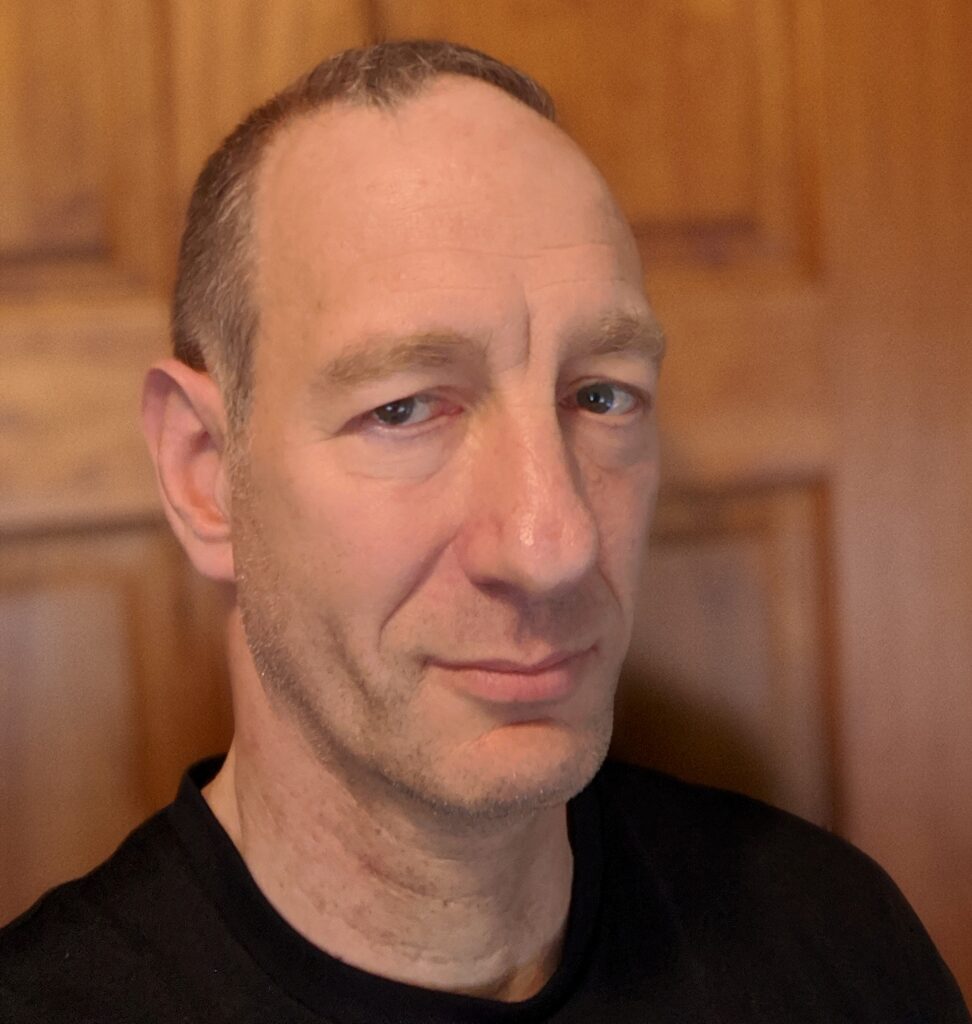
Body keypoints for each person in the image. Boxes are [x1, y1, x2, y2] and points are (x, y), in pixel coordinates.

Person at [1, 39, 968, 1024]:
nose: (555, 545)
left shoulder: (839, 944)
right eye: (405, 408)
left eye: (600, 394)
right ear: (204, 474)